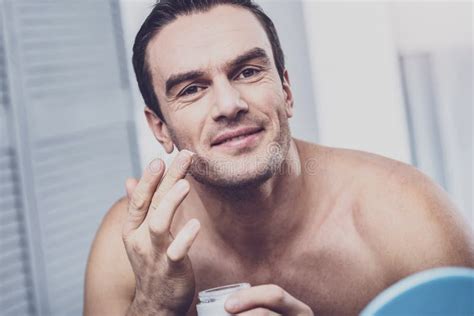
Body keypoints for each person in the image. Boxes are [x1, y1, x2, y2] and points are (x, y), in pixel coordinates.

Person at [84, 1, 474, 315]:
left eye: (248, 71)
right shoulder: (131, 247)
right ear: (160, 128)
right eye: (191, 89)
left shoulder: (404, 214)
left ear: (286, 91)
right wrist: (153, 309)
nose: (228, 104)